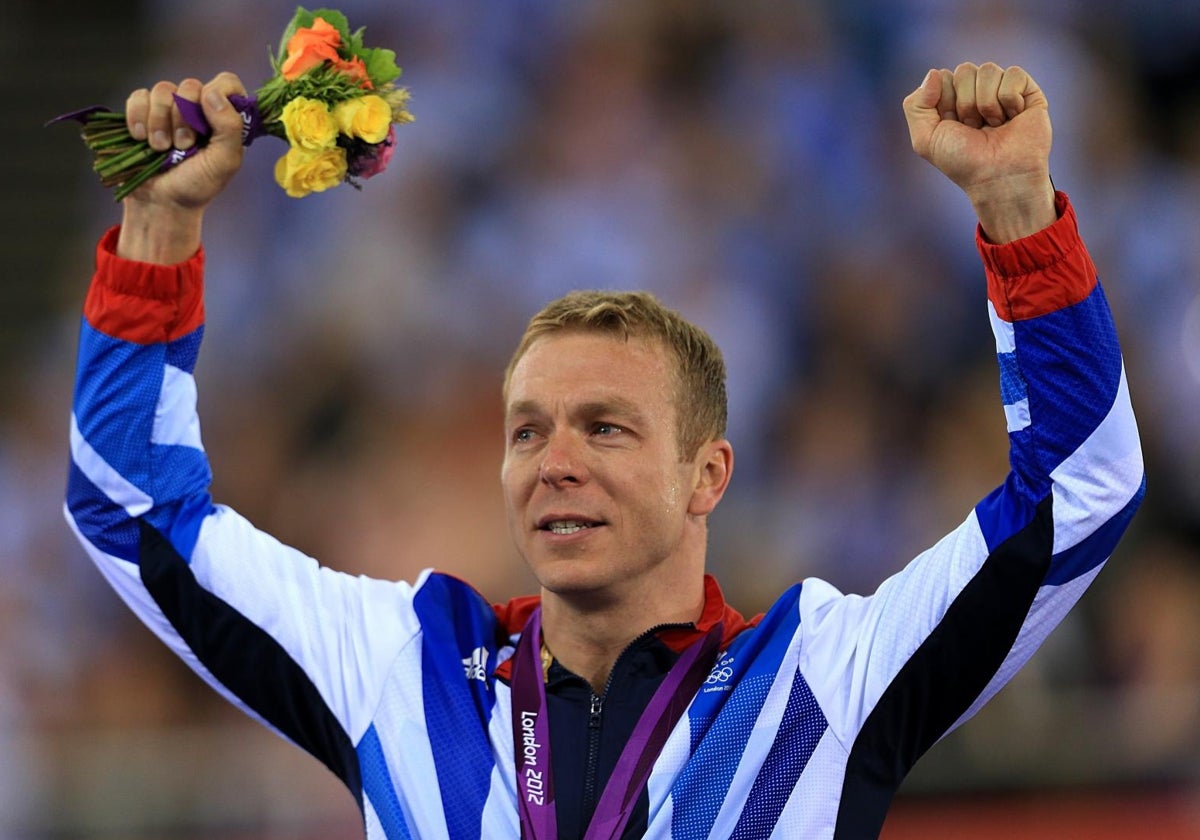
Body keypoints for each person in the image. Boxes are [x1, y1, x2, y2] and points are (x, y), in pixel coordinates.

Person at [64, 62, 1145, 839]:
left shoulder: (821, 680)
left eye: (607, 428)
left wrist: (1017, 212)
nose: (554, 461)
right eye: (526, 430)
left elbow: (1079, 488)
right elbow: (133, 513)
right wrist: (160, 229)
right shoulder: (406, 669)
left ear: (705, 477)